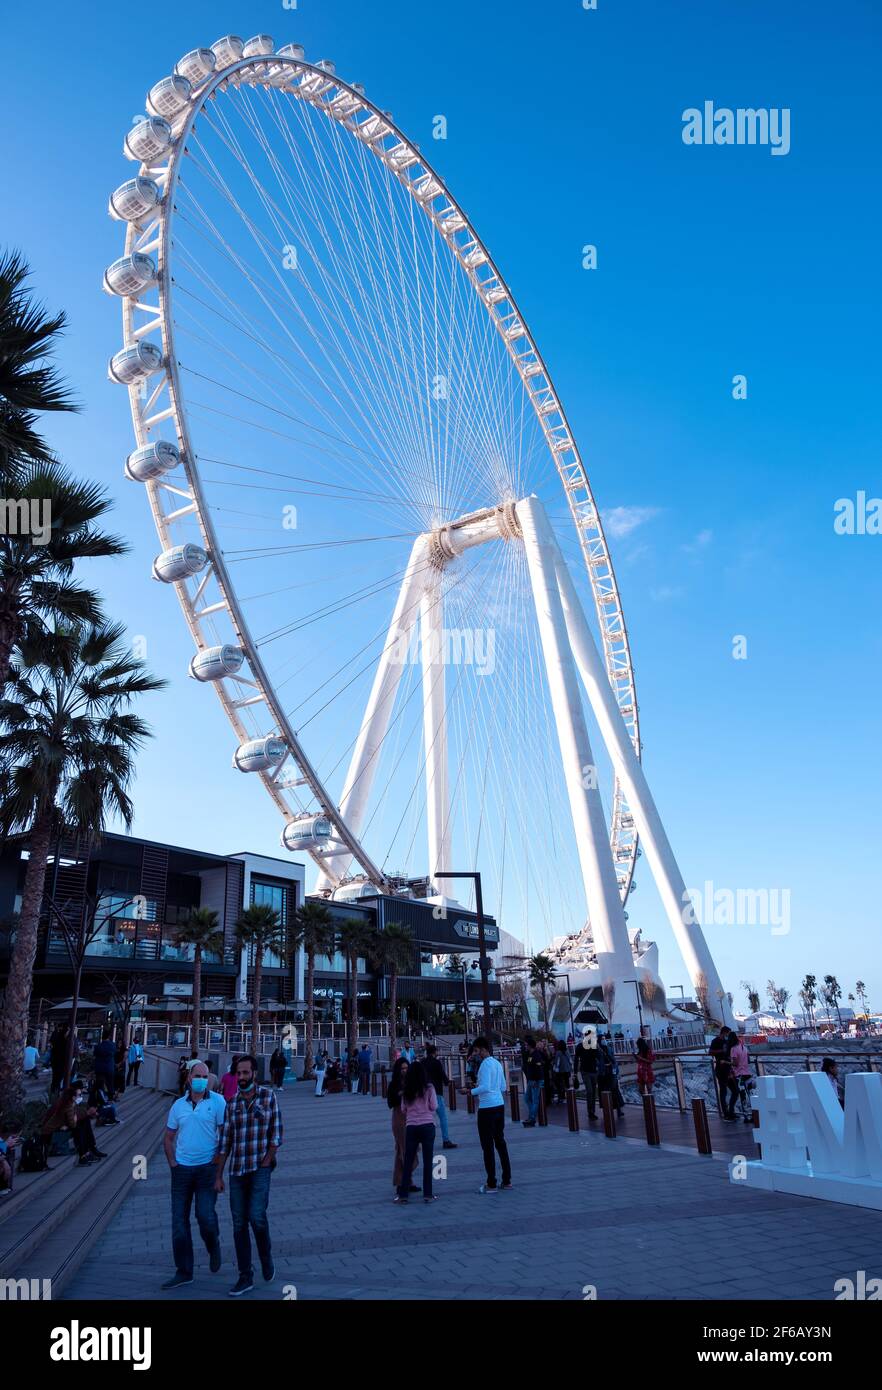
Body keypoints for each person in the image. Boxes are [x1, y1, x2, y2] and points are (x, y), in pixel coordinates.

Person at [215, 1054, 284, 1297]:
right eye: (239, 1073)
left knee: (257, 1217)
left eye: (246, 1073)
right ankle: (245, 1274)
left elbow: (276, 1134)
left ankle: (265, 1255)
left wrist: (266, 1162)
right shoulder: (231, 1104)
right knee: (238, 1223)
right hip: (237, 1171)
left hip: (259, 1169)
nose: (242, 1077)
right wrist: (218, 1175)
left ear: (254, 1073)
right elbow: (225, 1143)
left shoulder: (268, 1097)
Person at [162, 1061, 226, 1290]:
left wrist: (218, 1165)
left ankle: (213, 1244)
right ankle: (184, 1270)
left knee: (205, 1216)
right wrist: (173, 1163)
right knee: (179, 1223)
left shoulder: (218, 1102)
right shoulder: (178, 1106)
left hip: (206, 1170)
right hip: (182, 1171)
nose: (201, 1079)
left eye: (205, 1076)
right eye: (197, 1075)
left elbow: (224, 1135)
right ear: (189, 1078)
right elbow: (168, 1137)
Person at [471, 1037, 512, 1194]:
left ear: (483, 1049)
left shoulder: (485, 1064)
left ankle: (491, 1183)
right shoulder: (497, 1063)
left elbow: (485, 1087)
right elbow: (502, 1086)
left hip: (487, 1107)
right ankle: (507, 1179)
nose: (475, 1054)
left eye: (476, 1051)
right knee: (500, 1142)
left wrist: (471, 1091)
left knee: (487, 1146)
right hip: (499, 1105)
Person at [394, 1060, 437, 1204]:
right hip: (427, 1126)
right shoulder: (429, 1088)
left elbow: (403, 1109)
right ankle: (428, 1194)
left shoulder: (406, 1090)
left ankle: (403, 1195)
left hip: (411, 1127)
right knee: (427, 1161)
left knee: (408, 1161)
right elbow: (434, 1106)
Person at [40, 1084, 107, 1167]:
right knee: (78, 1129)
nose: (80, 1096)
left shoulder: (68, 1103)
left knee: (84, 1121)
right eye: (79, 1095)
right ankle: (83, 1155)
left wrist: (85, 1114)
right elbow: (72, 1123)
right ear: (73, 1097)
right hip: (50, 1135)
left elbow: (77, 1114)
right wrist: (78, 1118)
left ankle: (89, 1150)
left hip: (56, 1130)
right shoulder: (67, 1106)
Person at [387, 1057, 419, 1195]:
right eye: (402, 1069)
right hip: (400, 1119)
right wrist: (400, 1094)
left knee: (410, 1150)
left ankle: (405, 1181)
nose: (405, 1071)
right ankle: (402, 1182)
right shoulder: (394, 1084)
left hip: (412, 1118)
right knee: (404, 1150)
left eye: (407, 1068)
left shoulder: (413, 1082)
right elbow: (390, 1102)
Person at [424, 1043, 457, 1149]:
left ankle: (424, 1141)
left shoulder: (422, 1062)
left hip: (424, 1093)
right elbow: (443, 1075)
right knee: (442, 1117)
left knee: (425, 1118)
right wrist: (448, 1082)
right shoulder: (437, 1062)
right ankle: (446, 1140)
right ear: (435, 1052)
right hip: (436, 1092)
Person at [709, 1026, 738, 1121]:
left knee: (735, 1090)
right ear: (724, 1032)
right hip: (720, 1069)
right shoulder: (715, 1041)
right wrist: (722, 1051)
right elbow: (710, 1052)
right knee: (723, 1091)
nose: (728, 1035)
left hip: (728, 1069)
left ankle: (731, 1111)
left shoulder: (727, 1042)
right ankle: (726, 1113)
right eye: (727, 1033)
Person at [729, 1034, 754, 1122]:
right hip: (748, 1074)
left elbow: (735, 1063)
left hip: (739, 1076)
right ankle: (755, 1114)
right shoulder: (744, 1048)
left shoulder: (733, 1049)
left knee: (743, 1096)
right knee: (751, 1095)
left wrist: (726, 1062)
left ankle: (747, 1117)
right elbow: (749, 1060)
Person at [522, 1036, 544, 1127]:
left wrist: (535, 1079)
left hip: (536, 1081)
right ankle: (532, 1116)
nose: (525, 1046)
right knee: (527, 1098)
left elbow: (538, 1068)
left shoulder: (536, 1055)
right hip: (531, 1080)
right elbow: (529, 1066)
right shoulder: (530, 1055)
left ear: (531, 1046)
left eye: (526, 1045)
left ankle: (532, 1118)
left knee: (535, 1100)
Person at [578, 1032, 599, 1119]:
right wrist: (575, 1074)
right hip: (585, 1071)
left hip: (593, 1071)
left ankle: (592, 1111)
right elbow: (576, 1058)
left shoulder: (594, 1046)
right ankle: (590, 1111)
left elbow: (597, 1056)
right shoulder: (580, 1046)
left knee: (593, 1091)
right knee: (590, 1091)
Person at [93, 1030, 117, 1100]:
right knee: (110, 1083)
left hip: (99, 1068)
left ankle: (100, 1097)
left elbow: (95, 1055)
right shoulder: (113, 1045)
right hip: (109, 1067)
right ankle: (111, 1097)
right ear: (109, 1037)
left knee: (100, 1083)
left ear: (102, 1037)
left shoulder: (98, 1046)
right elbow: (114, 1053)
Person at [49, 1025, 69, 1093]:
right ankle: (55, 1090)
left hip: (55, 1060)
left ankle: (53, 1090)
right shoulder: (63, 1040)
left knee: (55, 1076)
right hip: (60, 1061)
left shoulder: (58, 1037)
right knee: (58, 1077)